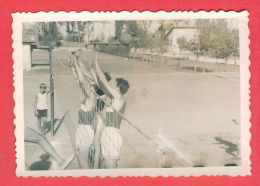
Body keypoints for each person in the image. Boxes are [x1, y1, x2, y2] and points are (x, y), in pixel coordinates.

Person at [94, 54, 130, 168]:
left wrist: (96, 61)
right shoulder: (114, 97)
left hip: (113, 134)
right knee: (105, 165)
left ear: (119, 88)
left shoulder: (118, 98)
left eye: (115, 85)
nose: (112, 87)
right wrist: (93, 69)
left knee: (110, 166)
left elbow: (103, 81)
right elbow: (101, 84)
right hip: (107, 132)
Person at [71, 51, 96, 169]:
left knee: (84, 163)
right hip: (82, 130)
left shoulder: (92, 96)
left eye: (89, 81)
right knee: (81, 161)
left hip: (85, 131)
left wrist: (76, 64)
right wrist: (76, 60)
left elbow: (82, 80)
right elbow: (80, 77)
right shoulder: (89, 94)